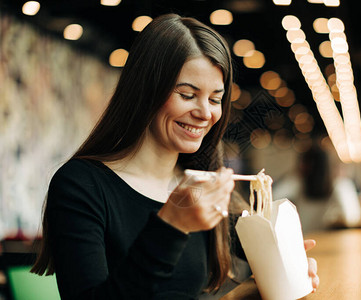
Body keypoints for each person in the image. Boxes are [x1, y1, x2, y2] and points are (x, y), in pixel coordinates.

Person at [31, 14, 319, 299]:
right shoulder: (80, 185)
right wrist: (171, 225)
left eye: (215, 99)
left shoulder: (203, 185)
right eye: (187, 94)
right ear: (146, 91)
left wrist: (288, 267)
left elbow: (257, 274)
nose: (205, 113)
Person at [273, 140, 361, 234]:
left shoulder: (297, 183)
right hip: (326, 239)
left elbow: (273, 198)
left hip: (306, 237)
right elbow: (352, 217)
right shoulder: (340, 184)